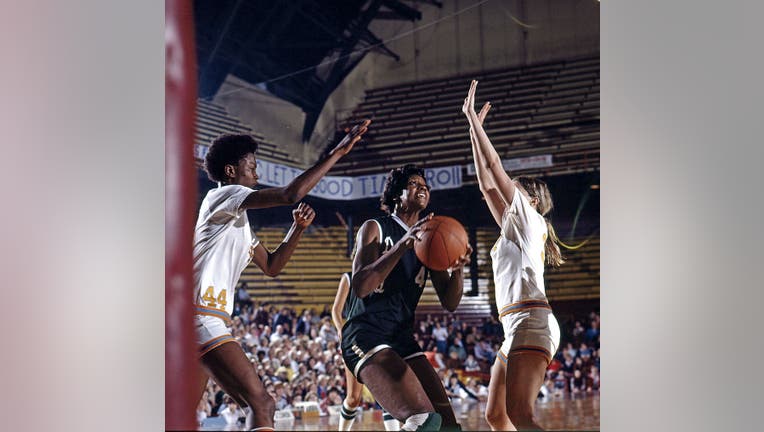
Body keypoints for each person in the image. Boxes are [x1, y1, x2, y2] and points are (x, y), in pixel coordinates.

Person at [190, 119, 370, 431]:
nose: (257, 174)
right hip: (200, 317)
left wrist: (297, 230)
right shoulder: (221, 197)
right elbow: (290, 194)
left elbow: (272, 267)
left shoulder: (238, 223)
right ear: (231, 171)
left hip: (200, 318)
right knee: (261, 403)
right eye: (252, 166)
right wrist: (337, 154)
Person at [462, 80, 563, 431]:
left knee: (520, 415)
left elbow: (495, 166)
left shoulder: (529, 218)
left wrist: (475, 123)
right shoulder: (515, 225)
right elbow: (486, 184)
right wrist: (472, 129)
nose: (511, 188)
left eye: (518, 187)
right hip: (516, 326)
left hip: (530, 322)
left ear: (531, 200)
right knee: (496, 415)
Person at [341, 164, 472, 431]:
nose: (422, 188)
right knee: (424, 421)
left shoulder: (431, 239)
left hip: (401, 338)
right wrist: (403, 245)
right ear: (396, 195)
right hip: (365, 334)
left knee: (447, 427)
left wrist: (457, 270)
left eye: (425, 186)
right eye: (414, 184)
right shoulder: (375, 227)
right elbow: (361, 287)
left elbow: (450, 303)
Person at [331, 271, 400, 431]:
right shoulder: (349, 277)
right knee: (354, 398)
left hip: (379, 337)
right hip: (354, 339)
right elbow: (336, 310)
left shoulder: (383, 276)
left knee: (387, 393)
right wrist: (341, 330)